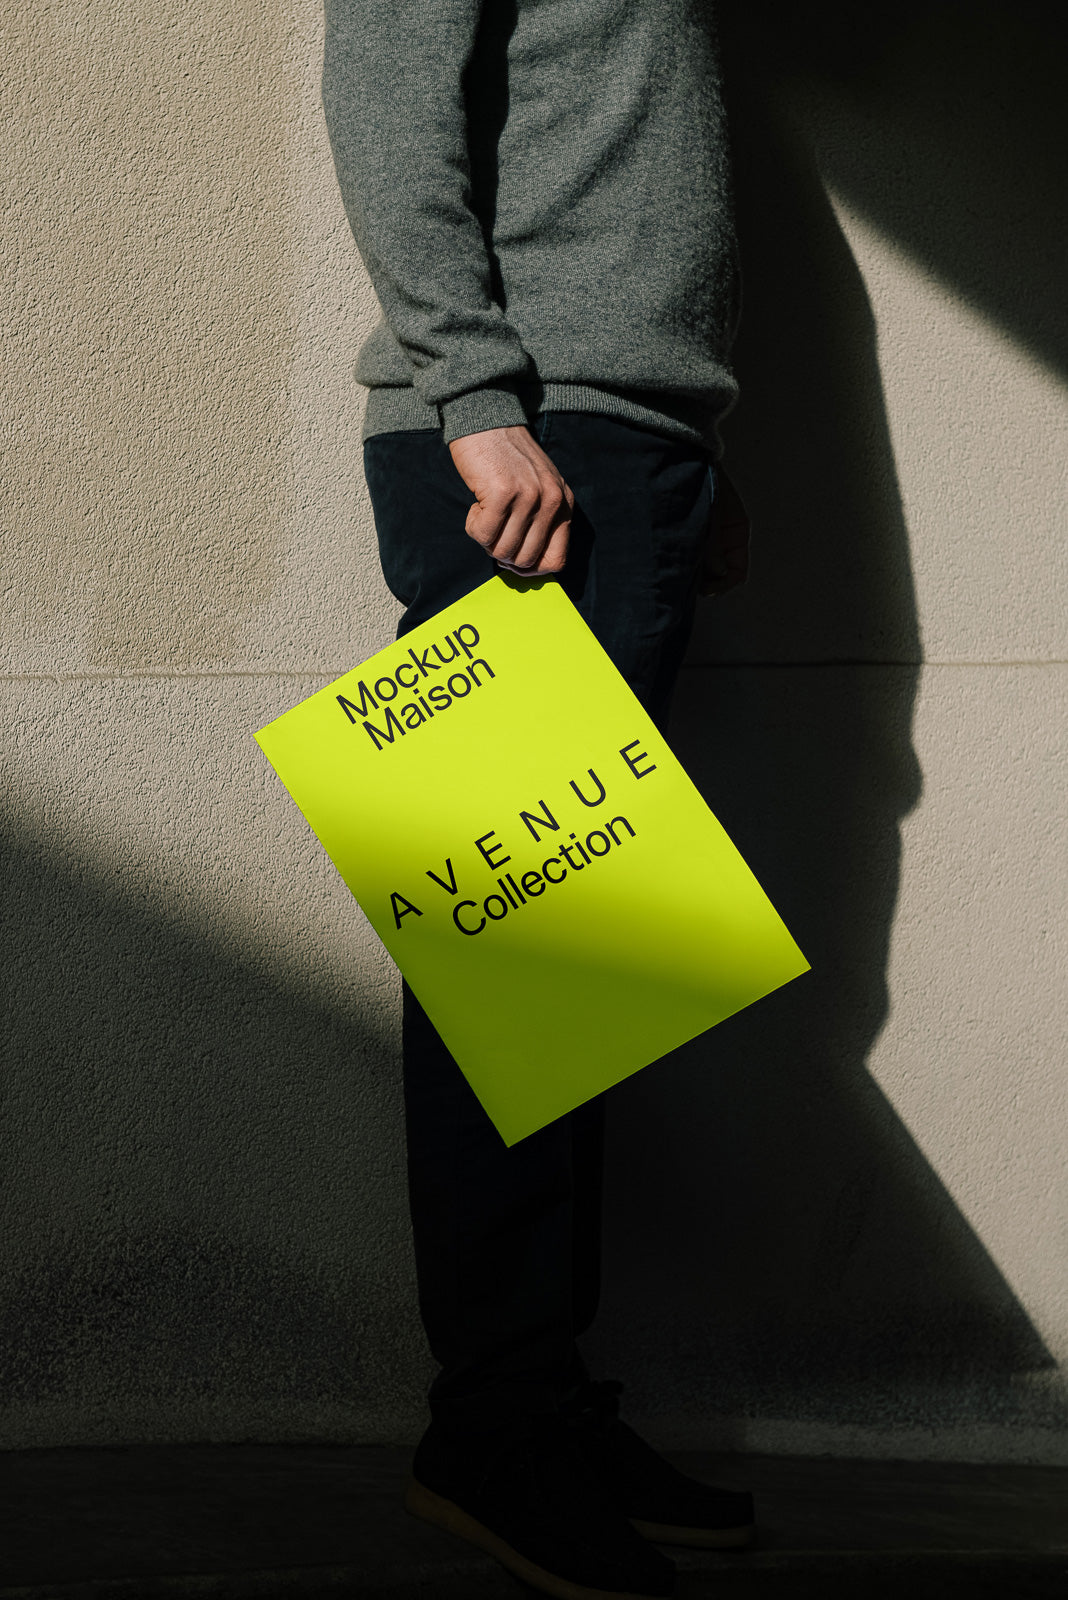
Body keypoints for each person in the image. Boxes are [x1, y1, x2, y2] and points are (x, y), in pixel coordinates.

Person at [322, 4, 752, 1596]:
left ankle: (546, 1404)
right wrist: (474, 390)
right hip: (526, 435)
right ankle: (493, 1426)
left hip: (617, 435)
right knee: (514, 965)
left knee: (578, 980)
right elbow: (385, 91)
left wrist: (686, 450)